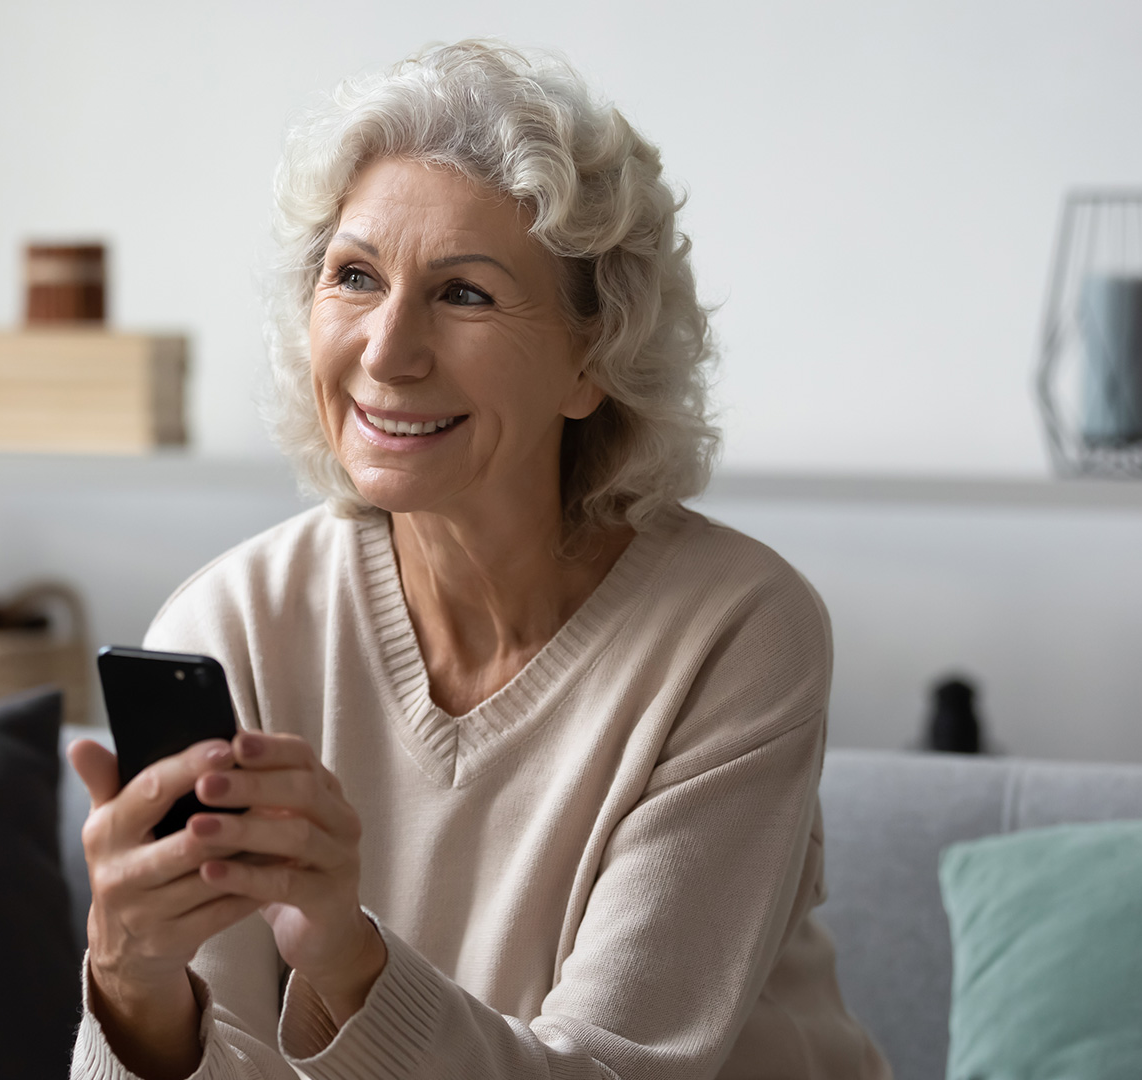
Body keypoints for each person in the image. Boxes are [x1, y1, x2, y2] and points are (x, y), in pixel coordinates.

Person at [66, 40, 889, 1080]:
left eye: (463, 294)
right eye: (354, 277)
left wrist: (350, 964)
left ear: (594, 359)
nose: (387, 350)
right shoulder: (231, 624)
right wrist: (134, 986)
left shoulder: (734, 629)